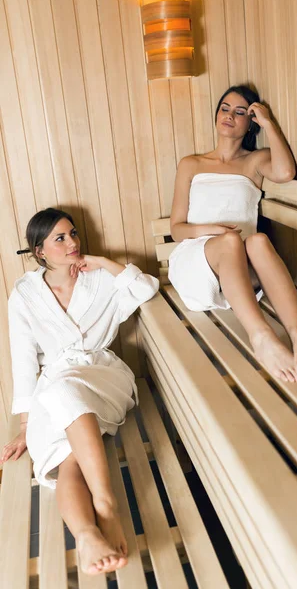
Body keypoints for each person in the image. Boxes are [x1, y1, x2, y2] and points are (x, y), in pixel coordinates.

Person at [0, 208, 159, 575]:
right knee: (61, 457)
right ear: (40, 250)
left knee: (65, 393)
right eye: (60, 238)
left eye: (73, 234)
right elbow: (23, 358)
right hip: (54, 379)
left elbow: (146, 289)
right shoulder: (25, 293)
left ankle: (106, 507)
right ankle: (87, 533)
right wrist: (26, 426)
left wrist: (105, 262)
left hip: (100, 373)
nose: (72, 243)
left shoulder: (101, 278)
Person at [169, 85, 297, 384]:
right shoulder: (192, 163)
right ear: (216, 114)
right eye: (225, 108)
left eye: (241, 112)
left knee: (259, 240)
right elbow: (176, 229)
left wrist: (268, 123)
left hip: (241, 268)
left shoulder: (255, 161)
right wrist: (211, 230)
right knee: (231, 241)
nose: (230, 115)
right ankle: (262, 337)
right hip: (195, 261)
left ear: (250, 122)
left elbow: (285, 172)